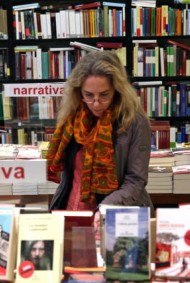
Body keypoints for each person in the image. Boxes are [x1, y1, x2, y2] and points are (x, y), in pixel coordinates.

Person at [46, 51, 152, 226]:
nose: (96, 103)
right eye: (88, 95)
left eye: (104, 95)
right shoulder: (73, 117)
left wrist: (106, 208)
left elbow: (136, 180)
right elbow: (70, 176)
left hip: (118, 216)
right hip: (72, 211)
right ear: (78, 90)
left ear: (117, 90)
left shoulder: (134, 121)